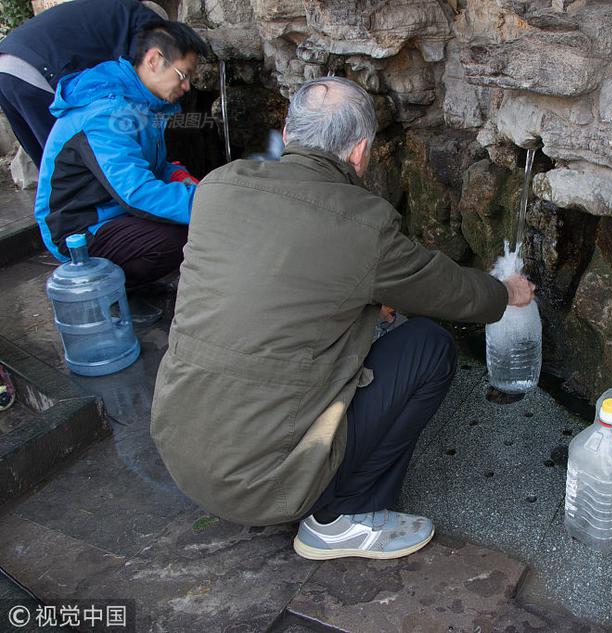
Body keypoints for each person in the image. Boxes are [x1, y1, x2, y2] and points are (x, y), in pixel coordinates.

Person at [150, 77, 536, 561]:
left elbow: (284, 280)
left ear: (287, 132)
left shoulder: (218, 188)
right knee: (429, 347)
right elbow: (451, 292)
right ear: (359, 152)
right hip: (263, 484)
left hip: (181, 447)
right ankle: (343, 518)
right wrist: (507, 291)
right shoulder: (362, 222)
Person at [33, 21, 208, 305]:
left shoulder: (140, 102)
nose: (187, 87)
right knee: (179, 237)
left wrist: (184, 178)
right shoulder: (106, 113)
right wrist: (212, 205)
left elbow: (155, 167)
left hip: (111, 210)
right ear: (154, 60)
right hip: (79, 230)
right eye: (183, 75)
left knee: (188, 210)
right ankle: (111, 292)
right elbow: (137, 193)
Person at [0, 0, 168, 167]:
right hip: (37, 67)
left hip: (6, 61)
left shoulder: (112, 12)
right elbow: (137, 82)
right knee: (71, 158)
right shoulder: (147, 20)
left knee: (47, 159)